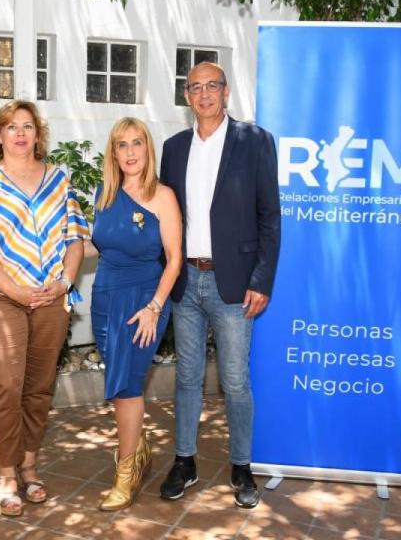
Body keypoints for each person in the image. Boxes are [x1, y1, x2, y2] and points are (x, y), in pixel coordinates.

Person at [158, 62, 281, 509]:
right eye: (195, 87)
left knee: (234, 380)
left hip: (234, 283)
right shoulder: (173, 148)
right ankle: (185, 460)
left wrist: (261, 278)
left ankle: (241, 467)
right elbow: (164, 216)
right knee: (187, 377)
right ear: (186, 96)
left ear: (226, 92)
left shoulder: (254, 141)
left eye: (213, 86)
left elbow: (270, 215)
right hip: (185, 281)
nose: (204, 94)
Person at [0, 100, 88, 516]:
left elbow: (75, 239)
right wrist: (15, 291)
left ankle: (29, 464)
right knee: (4, 389)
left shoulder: (59, 180)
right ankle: (7, 475)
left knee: (38, 386)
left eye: (27, 126)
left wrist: (65, 283)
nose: (19, 133)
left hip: (52, 298)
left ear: (37, 134)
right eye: (11, 127)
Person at [91, 118, 182, 511]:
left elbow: (175, 259)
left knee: (127, 387)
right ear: (113, 152)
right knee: (120, 382)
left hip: (145, 300)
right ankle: (138, 449)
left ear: (148, 149)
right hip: (105, 298)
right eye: (122, 145)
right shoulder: (103, 194)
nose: (130, 152)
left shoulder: (163, 196)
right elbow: (97, 246)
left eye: (137, 144)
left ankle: (126, 473)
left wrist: (154, 307)